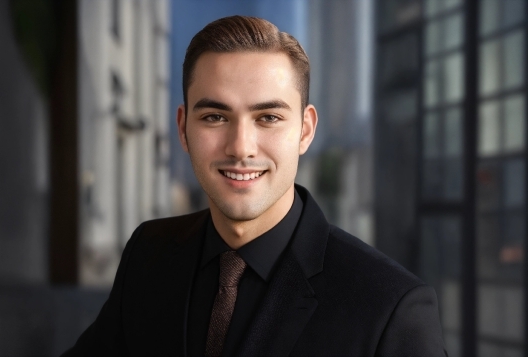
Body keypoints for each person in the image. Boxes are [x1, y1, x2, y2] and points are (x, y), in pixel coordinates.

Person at [63, 15, 447, 356]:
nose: (240, 147)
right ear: (183, 128)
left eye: (267, 118)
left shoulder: (389, 308)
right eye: (214, 116)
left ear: (305, 130)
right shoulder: (148, 255)